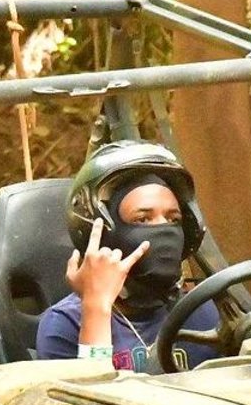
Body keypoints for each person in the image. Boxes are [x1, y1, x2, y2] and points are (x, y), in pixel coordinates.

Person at [34, 140, 221, 372]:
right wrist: (96, 307)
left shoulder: (201, 312)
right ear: (103, 233)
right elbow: (91, 392)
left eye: (173, 219)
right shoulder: (65, 324)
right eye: (143, 219)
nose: (163, 229)